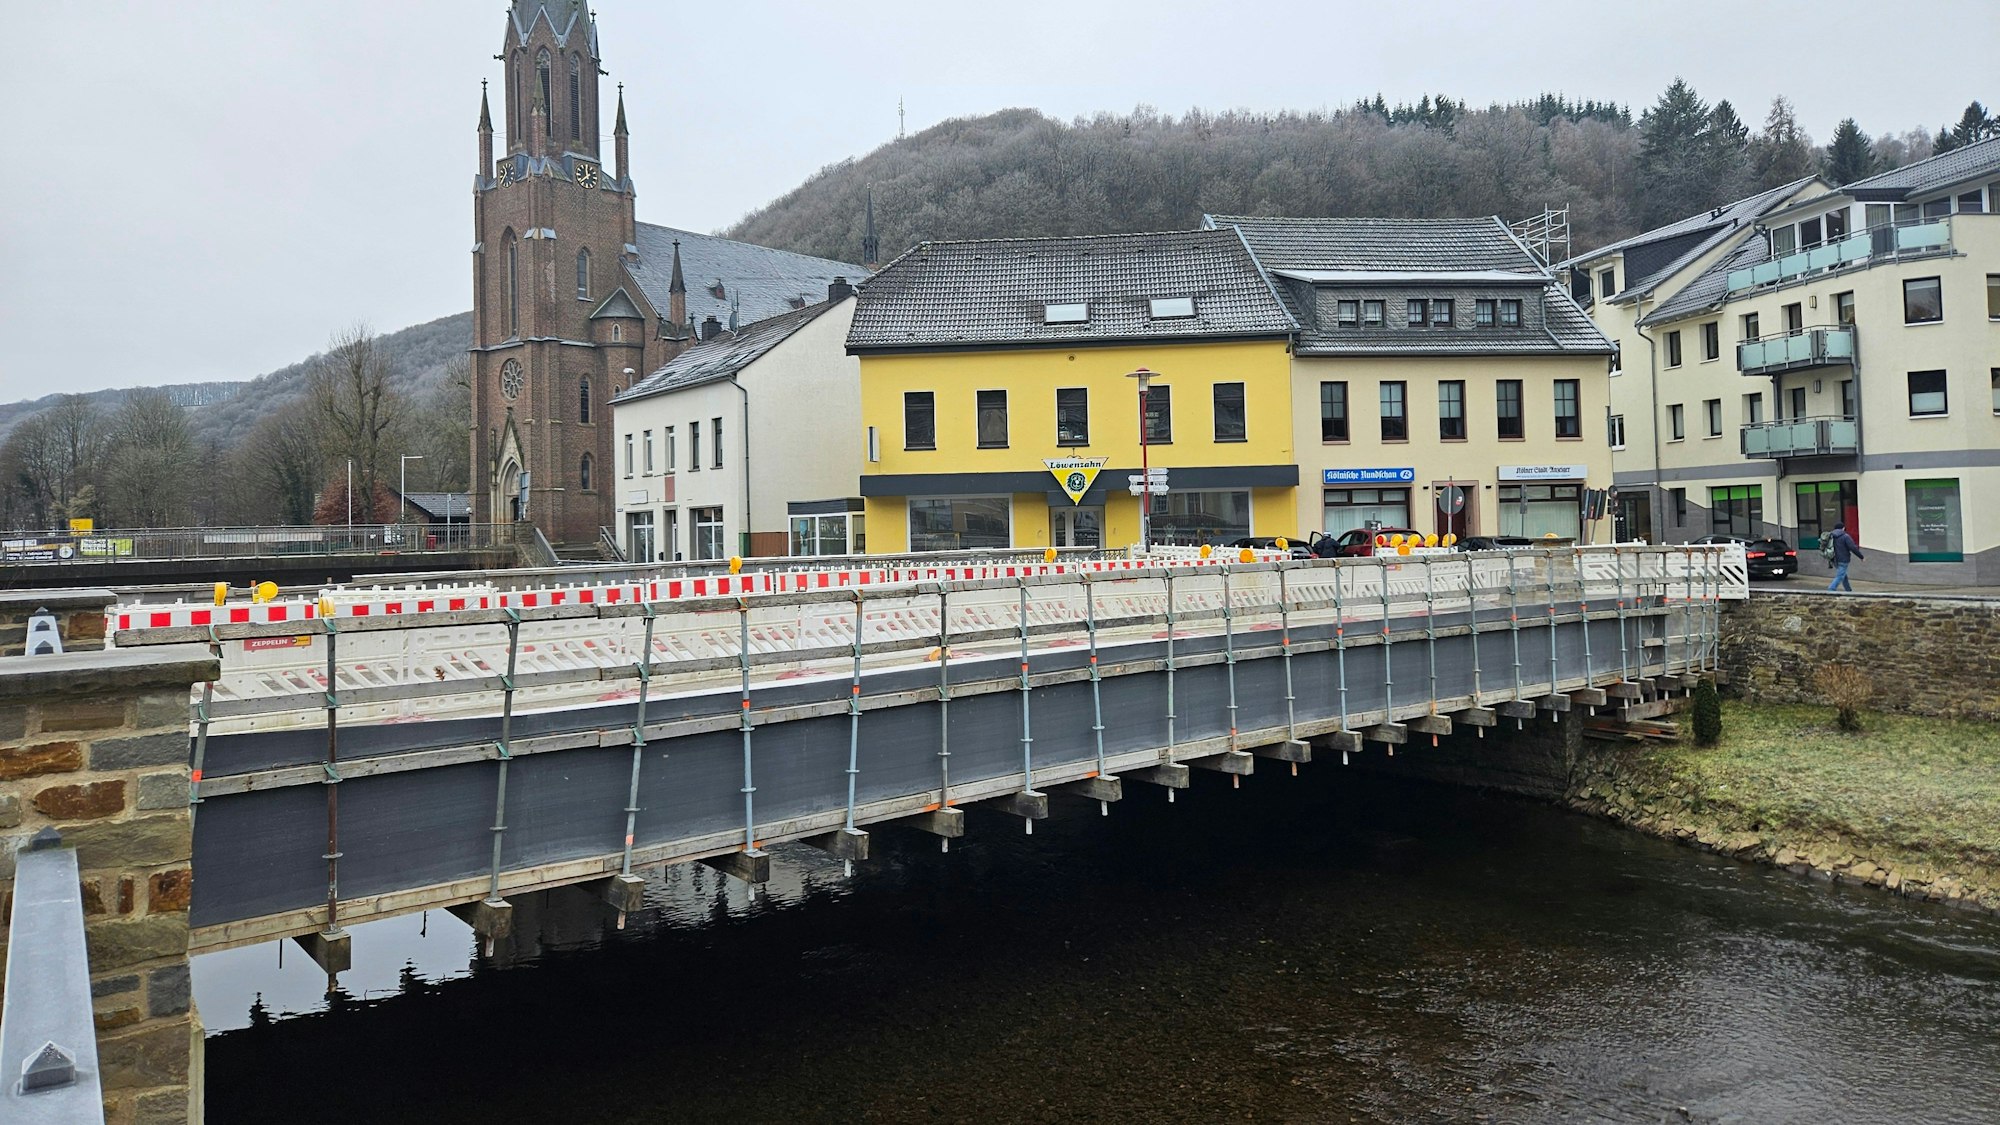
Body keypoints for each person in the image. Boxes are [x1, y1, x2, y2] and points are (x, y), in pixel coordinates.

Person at [1826, 523, 1863, 592]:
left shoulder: (1831, 536)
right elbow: (1853, 548)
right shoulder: (1845, 536)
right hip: (1843, 559)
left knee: (1843, 574)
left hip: (1834, 559)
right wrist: (1861, 557)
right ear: (1843, 528)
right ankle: (1831, 589)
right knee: (1840, 575)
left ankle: (1848, 590)